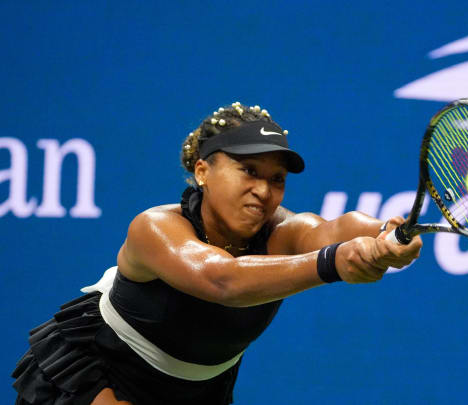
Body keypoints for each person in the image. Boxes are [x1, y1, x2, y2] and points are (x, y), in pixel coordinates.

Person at [11, 102, 423, 405]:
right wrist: (332, 262)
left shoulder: (281, 229)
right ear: (203, 170)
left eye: (276, 179)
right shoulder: (154, 227)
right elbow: (222, 280)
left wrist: (385, 235)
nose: (263, 191)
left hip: (200, 389)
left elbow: (334, 229)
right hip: (103, 369)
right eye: (249, 171)